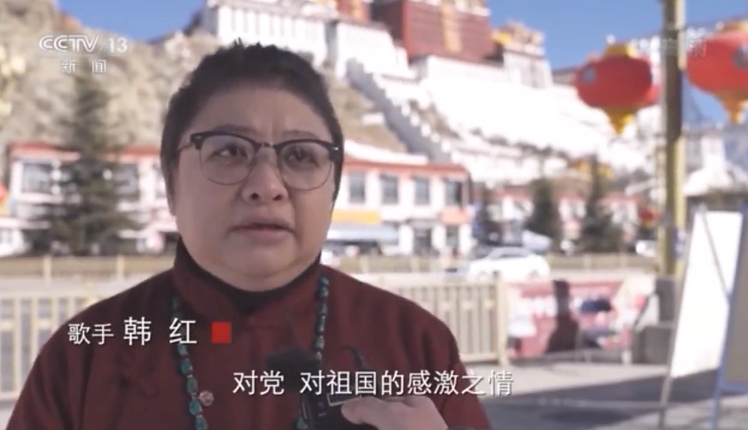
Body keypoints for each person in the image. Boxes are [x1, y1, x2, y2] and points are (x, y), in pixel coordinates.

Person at [7, 43, 491, 430]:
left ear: (333, 190)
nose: (266, 186)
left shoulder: (415, 343)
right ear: (171, 184)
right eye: (229, 151)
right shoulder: (84, 356)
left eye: (301, 156)